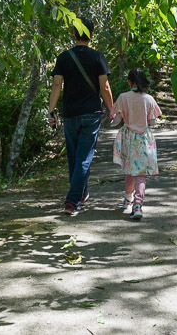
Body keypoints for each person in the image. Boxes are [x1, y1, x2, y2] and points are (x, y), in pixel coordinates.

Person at [47, 18, 114, 216]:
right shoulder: (98, 57)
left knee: (74, 158)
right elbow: (104, 87)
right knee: (84, 158)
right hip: (91, 114)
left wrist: (51, 111)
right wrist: (113, 109)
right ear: (91, 35)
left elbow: (57, 86)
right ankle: (72, 201)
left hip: (70, 114)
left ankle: (80, 195)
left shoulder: (63, 57)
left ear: (73, 34)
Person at [109, 68, 162, 221]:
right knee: (141, 173)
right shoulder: (149, 99)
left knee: (129, 168)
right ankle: (138, 205)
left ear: (129, 81)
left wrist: (112, 120)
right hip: (144, 138)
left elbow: (116, 122)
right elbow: (152, 122)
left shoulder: (123, 97)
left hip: (128, 137)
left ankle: (127, 198)